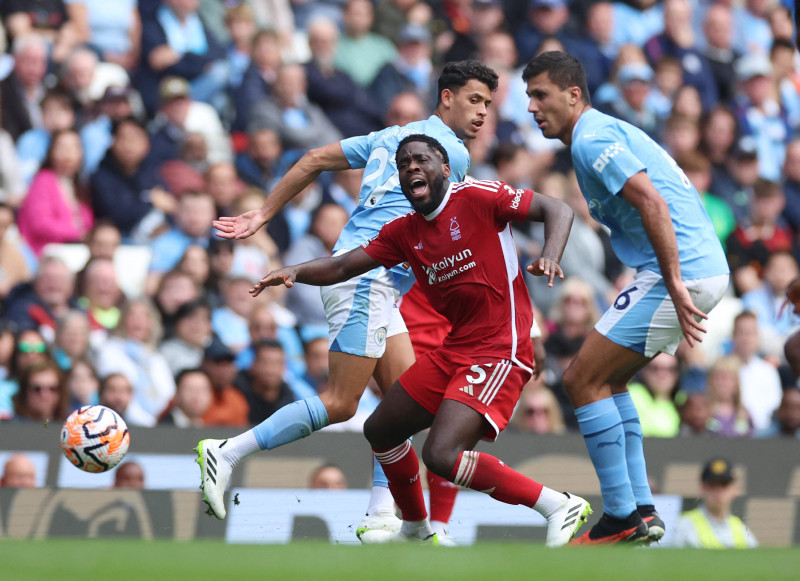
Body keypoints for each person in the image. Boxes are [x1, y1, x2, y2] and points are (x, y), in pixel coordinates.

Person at [197, 60, 500, 542]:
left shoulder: (390, 135)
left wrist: (264, 213)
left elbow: (314, 158)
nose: (483, 112)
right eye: (474, 100)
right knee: (341, 403)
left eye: (488, 103)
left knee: (402, 407)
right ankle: (227, 452)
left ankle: (388, 517)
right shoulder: (452, 156)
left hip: (374, 281)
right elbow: (450, 235)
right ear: (446, 97)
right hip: (366, 279)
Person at [239, 134, 586, 547]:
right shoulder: (404, 231)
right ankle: (416, 529)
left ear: (444, 168)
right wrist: (294, 270)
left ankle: (555, 504)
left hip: (500, 347)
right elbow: (347, 264)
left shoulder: (478, 196)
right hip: (456, 347)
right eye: (403, 164)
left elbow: (557, 208)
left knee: (440, 455)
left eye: (421, 160)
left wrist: (550, 254)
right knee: (381, 430)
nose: (411, 168)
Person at [522, 51, 730, 544]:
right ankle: (641, 510)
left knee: (580, 378)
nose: (531, 107)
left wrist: (675, 281)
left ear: (574, 95)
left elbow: (653, 202)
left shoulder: (592, 138)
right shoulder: (597, 135)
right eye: (528, 96)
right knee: (609, 382)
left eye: (540, 95)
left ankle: (620, 515)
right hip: (684, 268)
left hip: (680, 271)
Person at [672, 457, 758, 548]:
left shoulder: (741, 529)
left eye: (724, 484)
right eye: (712, 484)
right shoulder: (685, 526)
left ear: (735, 489)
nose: (718, 491)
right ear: (702, 487)